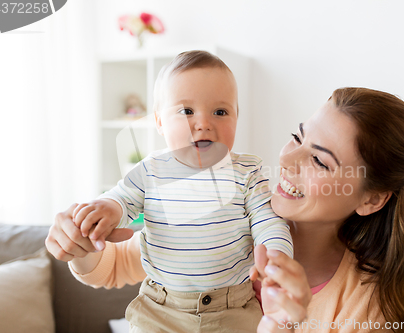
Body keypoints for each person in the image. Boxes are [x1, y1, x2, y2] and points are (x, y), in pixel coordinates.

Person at [47, 87, 404, 333]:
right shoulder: (218, 212)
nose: (289, 160)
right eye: (298, 137)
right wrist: (82, 245)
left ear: (370, 199)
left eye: (320, 161)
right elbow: (113, 267)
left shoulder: (367, 304)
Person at [64, 50, 293, 332]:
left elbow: (267, 221)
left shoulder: (246, 173)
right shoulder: (150, 171)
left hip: (233, 309)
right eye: (186, 111)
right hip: (161, 310)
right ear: (159, 121)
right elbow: (121, 199)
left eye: (220, 112)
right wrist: (108, 210)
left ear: (236, 117)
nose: (204, 123)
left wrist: (276, 255)